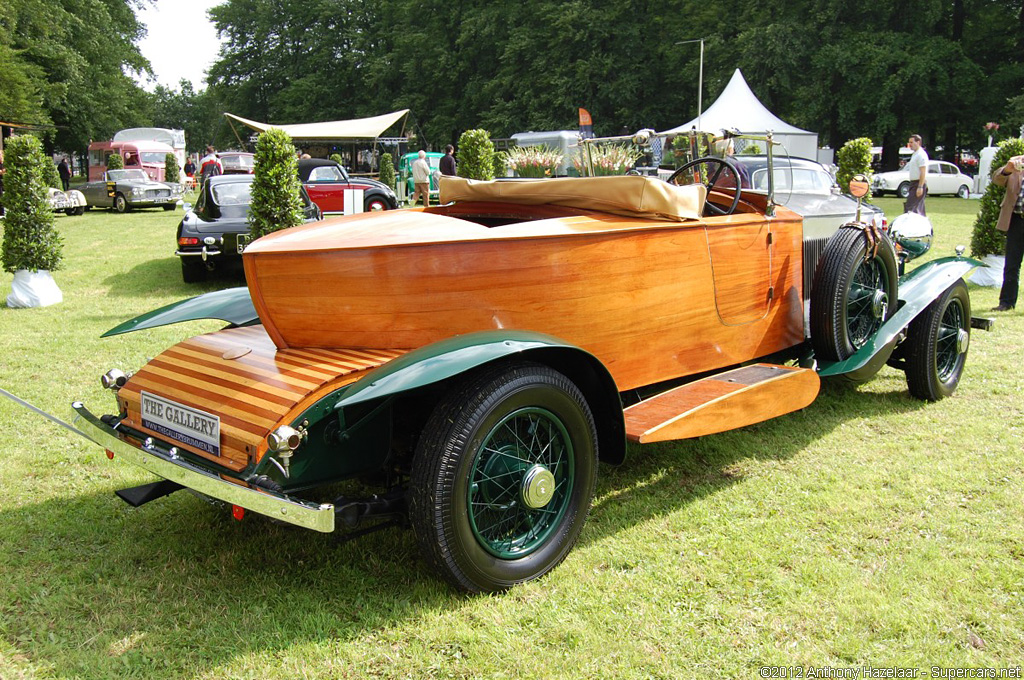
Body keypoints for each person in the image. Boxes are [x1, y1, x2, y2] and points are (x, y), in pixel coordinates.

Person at [990, 154, 1024, 312]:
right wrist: (1007, 170)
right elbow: (997, 179)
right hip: (1016, 220)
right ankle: (1006, 302)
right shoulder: (1017, 162)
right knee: (1011, 263)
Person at [904, 134, 928, 215]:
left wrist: (920, 187)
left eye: (911, 142)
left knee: (911, 207)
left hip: (918, 183)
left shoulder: (921, 155)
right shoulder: (915, 154)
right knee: (917, 208)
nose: (909, 144)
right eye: (909, 142)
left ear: (918, 142)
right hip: (914, 183)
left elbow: (923, 172)